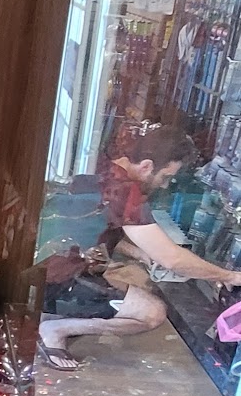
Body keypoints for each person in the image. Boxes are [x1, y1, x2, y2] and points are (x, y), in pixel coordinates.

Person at [39, 123, 241, 371]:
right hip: (56, 280)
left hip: (45, 269)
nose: (164, 186)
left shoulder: (104, 169)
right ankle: (54, 330)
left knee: (130, 285)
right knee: (152, 312)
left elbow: (91, 228)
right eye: (165, 177)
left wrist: (139, 252)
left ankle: (56, 314)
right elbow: (173, 259)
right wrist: (228, 276)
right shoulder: (124, 192)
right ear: (146, 166)